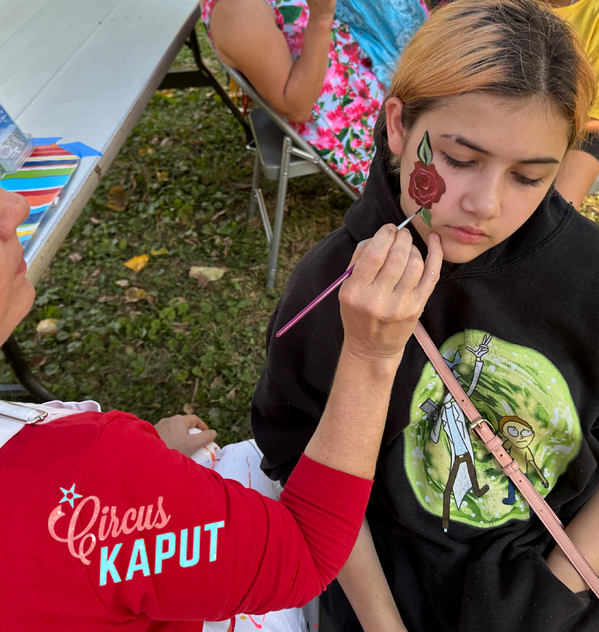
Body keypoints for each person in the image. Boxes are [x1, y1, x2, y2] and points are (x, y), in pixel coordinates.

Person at [251, 0, 599, 632]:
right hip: (392, 580)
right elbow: (298, 458)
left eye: (530, 176)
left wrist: (555, 588)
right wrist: (382, 625)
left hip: (565, 565)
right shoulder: (333, 287)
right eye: (460, 160)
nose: (485, 203)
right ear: (397, 127)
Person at [0, 183, 441, 629]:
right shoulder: (81, 479)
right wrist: (370, 355)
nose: (16, 207)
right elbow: (307, 550)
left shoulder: (88, 477)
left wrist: (145, 459)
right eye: (460, 160)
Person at [189, 0, 428, 193]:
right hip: (356, 120)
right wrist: (321, 17)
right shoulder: (236, 8)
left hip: (365, 71)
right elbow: (296, 106)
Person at [501, 0, 599, 208]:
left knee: (553, 215)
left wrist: (531, 126)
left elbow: (597, 119)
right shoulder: (507, 0)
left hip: (576, 134)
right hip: (502, 120)